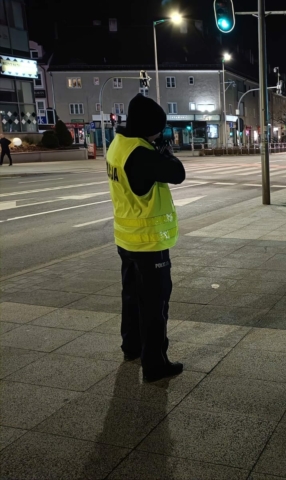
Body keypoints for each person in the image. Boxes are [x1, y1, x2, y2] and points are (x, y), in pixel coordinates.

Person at [106, 94, 186, 382]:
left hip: (126, 239)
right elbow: (177, 173)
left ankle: (131, 346)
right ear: (147, 127)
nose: (159, 133)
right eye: (158, 128)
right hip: (148, 242)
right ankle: (155, 363)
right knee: (155, 304)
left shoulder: (119, 145)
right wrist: (165, 151)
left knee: (131, 296)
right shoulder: (141, 153)